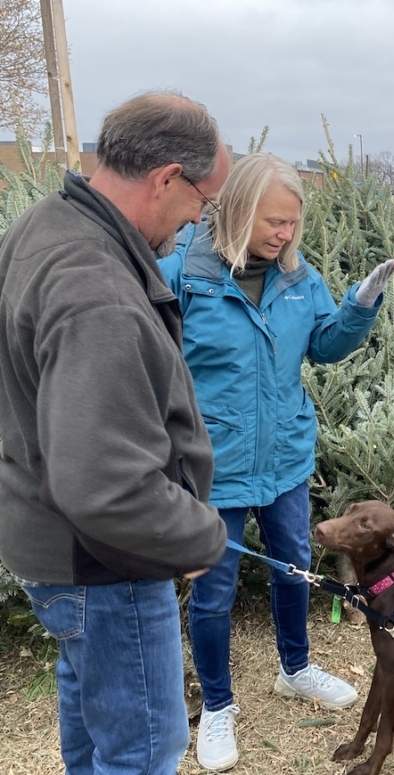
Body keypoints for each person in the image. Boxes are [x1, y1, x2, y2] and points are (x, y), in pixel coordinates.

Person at [0, 92, 230, 774]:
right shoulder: (98, 289)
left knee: (95, 719)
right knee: (145, 746)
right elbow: (104, 482)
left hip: (54, 549)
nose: (197, 221)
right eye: (201, 202)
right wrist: (200, 536)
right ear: (166, 177)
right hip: (106, 564)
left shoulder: (46, 224)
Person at [159, 152, 394, 772]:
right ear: (237, 210)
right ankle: (216, 706)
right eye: (273, 222)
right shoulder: (184, 274)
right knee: (212, 593)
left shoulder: (299, 277)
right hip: (215, 465)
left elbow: (323, 347)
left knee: (294, 567)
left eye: (292, 223)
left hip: (285, 458)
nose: (285, 235)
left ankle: (295, 668)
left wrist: (358, 308)